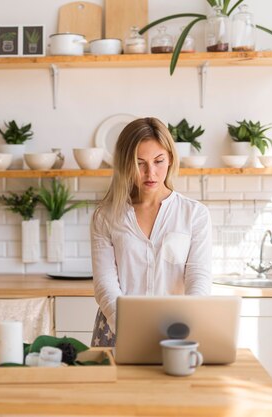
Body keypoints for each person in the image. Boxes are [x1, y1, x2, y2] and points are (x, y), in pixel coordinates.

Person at [90, 117, 212, 347]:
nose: (151, 173)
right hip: (117, 331)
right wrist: (130, 327)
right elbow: (105, 284)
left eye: (158, 161)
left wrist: (184, 325)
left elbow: (199, 279)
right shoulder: (105, 216)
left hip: (176, 333)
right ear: (125, 164)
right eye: (139, 163)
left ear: (171, 159)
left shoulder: (194, 214)